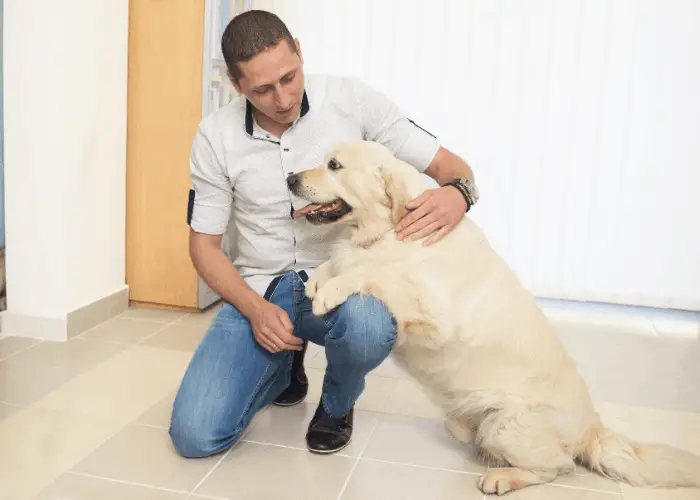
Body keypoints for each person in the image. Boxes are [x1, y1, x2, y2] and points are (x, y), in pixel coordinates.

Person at [169, 9, 480, 458]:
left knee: (369, 329)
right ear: (237, 87)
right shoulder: (214, 137)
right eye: (262, 89)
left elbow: (454, 170)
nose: (282, 98)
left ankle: (336, 403)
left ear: (298, 49)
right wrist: (255, 311)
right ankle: (283, 367)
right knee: (195, 437)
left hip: (341, 277)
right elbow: (204, 248)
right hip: (262, 286)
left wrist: (458, 195)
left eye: (289, 77)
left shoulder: (352, 100)